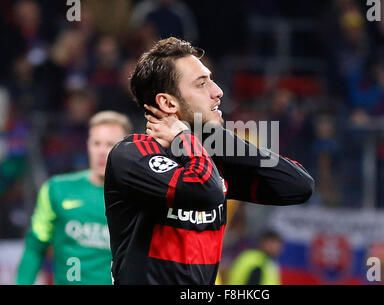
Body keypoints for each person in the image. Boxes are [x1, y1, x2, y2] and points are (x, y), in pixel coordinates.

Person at [104, 37, 315, 285]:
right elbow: (205, 189)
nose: (218, 91)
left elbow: (298, 186)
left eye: (211, 80)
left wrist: (215, 136)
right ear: (167, 103)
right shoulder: (132, 155)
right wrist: (186, 137)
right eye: (202, 84)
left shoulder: (210, 157)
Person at [16, 111, 132, 285]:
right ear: (88, 145)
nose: (101, 151)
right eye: (96, 143)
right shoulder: (56, 190)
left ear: (127, 149)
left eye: (110, 144)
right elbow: (35, 246)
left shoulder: (139, 197)